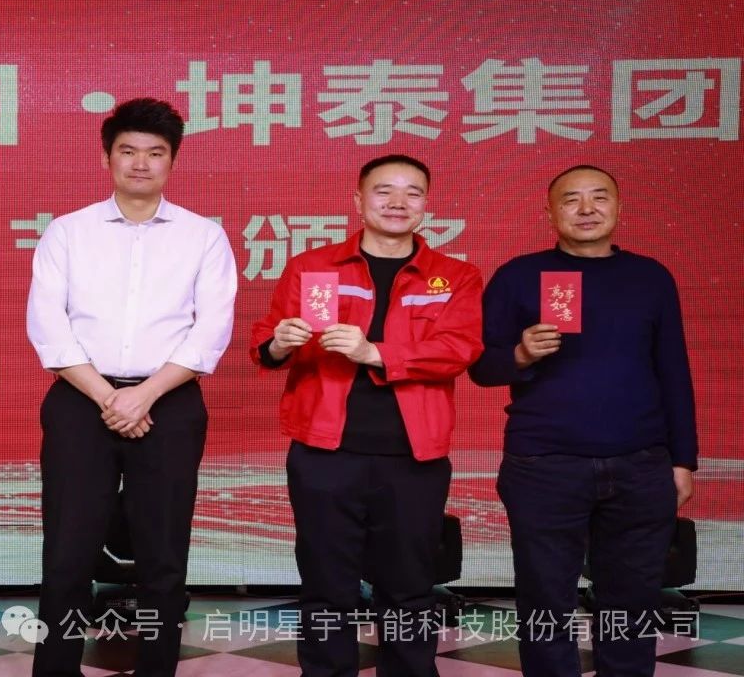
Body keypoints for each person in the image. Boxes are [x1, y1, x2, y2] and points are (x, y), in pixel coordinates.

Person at [26, 97, 237, 676]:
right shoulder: (67, 232)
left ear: (173, 161)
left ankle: (157, 668)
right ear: (107, 158)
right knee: (67, 552)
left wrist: (144, 395)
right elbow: (48, 326)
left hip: (169, 403)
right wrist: (108, 396)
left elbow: (210, 331)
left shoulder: (203, 236)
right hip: (80, 402)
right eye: (128, 151)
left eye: (155, 153)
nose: (141, 163)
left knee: (163, 553)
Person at [250, 154, 483, 677]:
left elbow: (460, 348)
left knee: (409, 586)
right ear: (358, 200)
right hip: (324, 452)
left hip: (413, 455)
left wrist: (373, 351)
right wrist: (280, 342)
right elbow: (264, 341)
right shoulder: (312, 267)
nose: (398, 202)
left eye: (412, 192)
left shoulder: (455, 276)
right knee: (326, 583)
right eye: (384, 191)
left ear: (426, 204)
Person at [468, 165, 697, 677]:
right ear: (549, 212)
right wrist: (521, 354)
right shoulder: (519, 275)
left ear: (618, 207)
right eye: (571, 199)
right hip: (543, 464)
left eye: (600, 197)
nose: (587, 209)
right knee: (545, 598)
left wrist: (683, 460)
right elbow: (480, 366)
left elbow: (673, 372)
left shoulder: (650, 277)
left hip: (640, 463)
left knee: (632, 600)